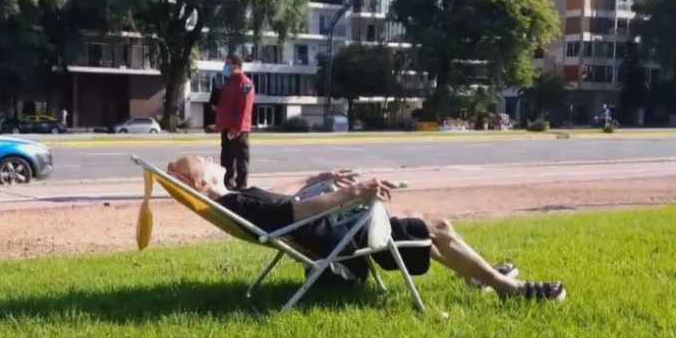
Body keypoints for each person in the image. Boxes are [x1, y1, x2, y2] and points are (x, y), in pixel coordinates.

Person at [166, 155, 567, 301]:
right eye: (201, 159)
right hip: (341, 237)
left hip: (333, 230)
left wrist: (314, 177)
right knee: (435, 226)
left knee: (421, 233)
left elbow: (281, 202)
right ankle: (510, 290)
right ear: (200, 182)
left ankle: (482, 277)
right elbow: (294, 215)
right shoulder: (234, 203)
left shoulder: (237, 200)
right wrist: (355, 193)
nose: (209, 157)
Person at [216, 54, 255, 189]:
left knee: (241, 159)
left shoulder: (245, 83)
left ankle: (241, 186)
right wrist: (219, 124)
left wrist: (238, 127)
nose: (225, 67)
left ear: (236, 65)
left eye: (228, 64)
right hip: (226, 128)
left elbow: (245, 107)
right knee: (226, 158)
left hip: (239, 130)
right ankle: (227, 184)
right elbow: (224, 106)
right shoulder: (229, 83)